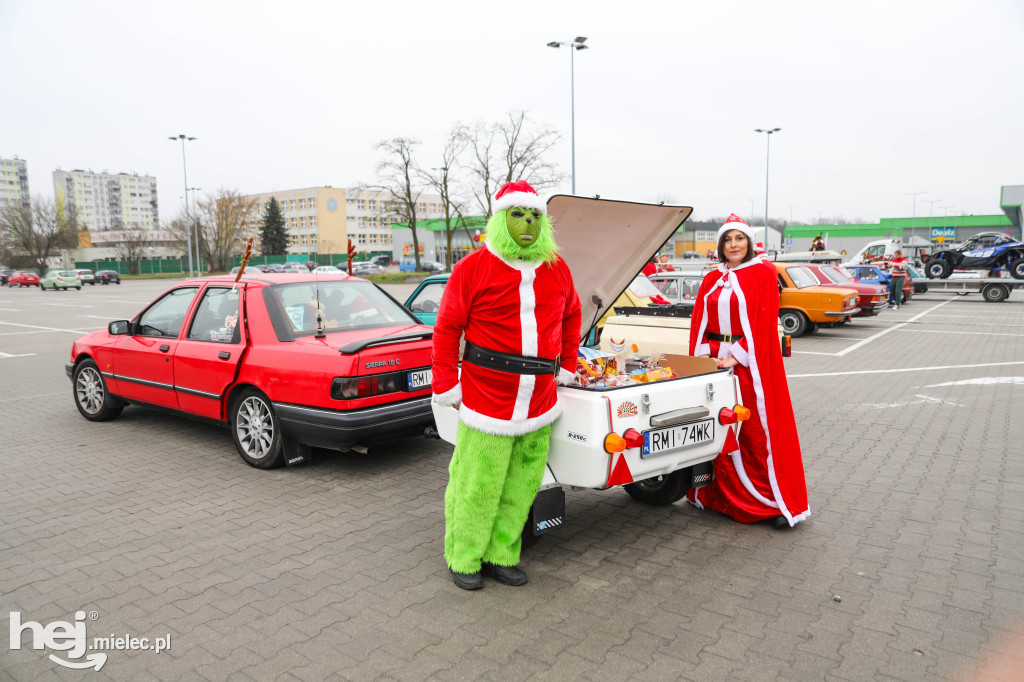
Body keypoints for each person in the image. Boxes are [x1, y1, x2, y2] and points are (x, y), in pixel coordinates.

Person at [432, 180, 582, 590]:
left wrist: (567, 363)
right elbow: (446, 329)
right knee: (478, 483)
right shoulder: (473, 268)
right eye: (517, 214)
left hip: (539, 401)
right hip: (486, 399)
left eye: (534, 215)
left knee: (522, 485)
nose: (527, 222)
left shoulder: (557, 268)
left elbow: (572, 316)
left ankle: (502, 554)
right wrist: (447, 383)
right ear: (501, 219)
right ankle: (464, 556)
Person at [686, 213, 809, 529]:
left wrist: (736, 356)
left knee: (753, 433)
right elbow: (700, 319)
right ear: (721, 246)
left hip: (746, 367)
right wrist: (703, 358)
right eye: (727, 239)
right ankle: (720, 498)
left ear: (750, 242)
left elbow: (763, 324)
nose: (733, 244)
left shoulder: (763, 273)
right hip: (714, 365)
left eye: (739, 238)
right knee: (716, 429)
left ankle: (767, 503)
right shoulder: (713, 277)